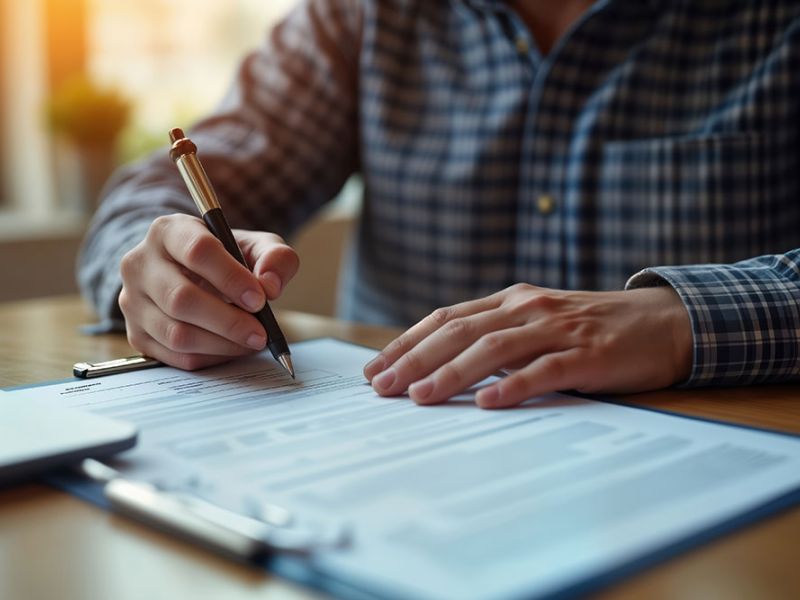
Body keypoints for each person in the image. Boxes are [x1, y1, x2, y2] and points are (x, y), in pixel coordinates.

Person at [79, 0, 800, 409]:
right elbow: (152, 199)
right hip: (400, 475)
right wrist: (157, 266)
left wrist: (681, 321)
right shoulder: (363, 17)